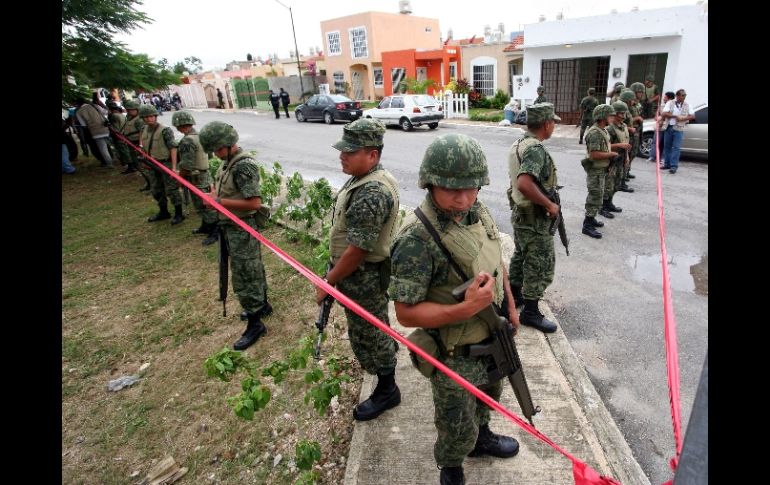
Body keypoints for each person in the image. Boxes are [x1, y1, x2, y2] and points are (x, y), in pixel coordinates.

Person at [390, 133, 520, 485]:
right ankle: (451, 466)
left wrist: (509, 305)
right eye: (451, 189)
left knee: (490, 397)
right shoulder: (416, 238)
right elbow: (405, 313)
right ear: (430, 184)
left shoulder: (477, 211)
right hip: (453, 353)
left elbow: (496, 262)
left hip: (492, 339)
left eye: (471, 187)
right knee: (453, 422)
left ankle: (482, 438)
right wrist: (465, 310)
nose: (462, 198)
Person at [318, 118, 401, 421]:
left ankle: (388, 389)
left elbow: (358, 249)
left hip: (363, 276)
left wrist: (329, 281)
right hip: (359, 273)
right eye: (342, 150)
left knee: (369, 332)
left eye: (350, 152)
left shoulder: (372, 192)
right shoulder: (363, 178)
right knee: (376, 325)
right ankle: (387, 355)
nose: (342, 155)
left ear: (372, 155)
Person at [199, 121, 272, 350]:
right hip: (230, 227)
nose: (215, 153)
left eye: (218, 149)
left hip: (242, 228)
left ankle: (255, 322)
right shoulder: (226, 163)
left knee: (245, 274)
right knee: (251, 269)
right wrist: (215, 197)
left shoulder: (243, 166)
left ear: (230, 144)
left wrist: (218, 202)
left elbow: (254, 203)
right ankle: (262, 305)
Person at [506, 103, 561, 334]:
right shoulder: (535, 149)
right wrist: (549, 204)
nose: (554, 126)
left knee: (520, 256)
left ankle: (514, 296)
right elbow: (524, 183)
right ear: (546, 124)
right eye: (553, 123)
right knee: (540, 263)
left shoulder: (519, 143)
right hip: (534, 219)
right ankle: (530, 311)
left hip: (521, 215)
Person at [172, 111, 219, 246]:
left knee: (204, 206)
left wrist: (179, 178)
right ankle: (206, 225)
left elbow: (187, 164)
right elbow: (209, 156)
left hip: (196, 177)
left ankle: (215, 231)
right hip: (204, 174)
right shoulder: (201, 137)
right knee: (202, 204)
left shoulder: (187, 141)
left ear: (179, 126)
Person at [138, 104, 184, 225]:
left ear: (155, 116)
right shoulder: (143, 130)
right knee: (156, 190)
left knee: (172, 190)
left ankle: (179, 213)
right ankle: (163, 211)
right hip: (152, 163)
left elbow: (173, 148)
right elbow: (142, 144)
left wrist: (174, 167)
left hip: (166, 163)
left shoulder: (165, 130)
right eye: (146, 117)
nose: (149, 119)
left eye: (151, 116)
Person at [581, 104, 618, 239]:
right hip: (595, 170)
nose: (612, 118)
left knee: (599, 195)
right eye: (610, 115)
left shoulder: (603, 130)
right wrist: (611, 155)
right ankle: (587, 225)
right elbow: (594, 154)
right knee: (594, 196)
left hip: (601, 169)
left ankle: (592, 219)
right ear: (602, 116)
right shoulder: (595, 133)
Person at [604, 101, 633, 216]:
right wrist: (619, 146)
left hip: (621, 159)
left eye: (624, 113)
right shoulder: (609, 128)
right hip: (611, 161)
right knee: (608, 185)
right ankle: (603, 206)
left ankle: (609, 202)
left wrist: (626, 157)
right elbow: (605, 146)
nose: (624, 115)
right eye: (621, 113)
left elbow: (626, 142)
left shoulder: (624, 126)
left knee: (616, 184)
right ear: (615, 114)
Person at [661, 89, 694, 174]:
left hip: (679, 128)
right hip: (669, 127)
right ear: (677, 96)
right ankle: (667, 164)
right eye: (682, 95)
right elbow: (664, 114)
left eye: (684, 96)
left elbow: (692, 116)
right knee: (667, 147)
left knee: (676, 148)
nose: (683, 97)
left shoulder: (688, 104)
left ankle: (673, 166)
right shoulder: (670, 103)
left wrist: (684, 118)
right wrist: (675, 116)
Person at [75, 97, 114, 167]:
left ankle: (109, 164)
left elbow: (83, 125)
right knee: (114, 144)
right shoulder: (94, 106)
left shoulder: (78, 112)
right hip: (105, 128)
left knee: (103, 149)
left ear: (77, 104)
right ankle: (122, 159)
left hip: (95, 132)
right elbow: (106, 112)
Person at [647, 91, 674, 163]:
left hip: (668, 127)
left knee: (666, 144)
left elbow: (671, 117)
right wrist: (658, 118)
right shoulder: (661, 106)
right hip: (659, 127)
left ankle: (663, 159)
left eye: (665, 97)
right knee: (655, 142)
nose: (663, 98)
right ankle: (652, 156)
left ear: (669, 99)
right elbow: (656, 116)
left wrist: (662, 119)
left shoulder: (673, 107)